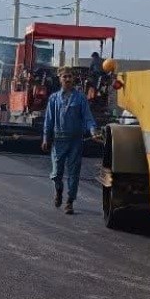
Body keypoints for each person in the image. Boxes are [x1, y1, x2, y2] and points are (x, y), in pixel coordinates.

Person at [42, 68, 98, 215]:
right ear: (60, 79)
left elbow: (88, 118)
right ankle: (59, 191)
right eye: (65, 76)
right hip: (58, 140)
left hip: (75, 141)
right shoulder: (54, 98)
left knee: (74, 173)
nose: (67, 79)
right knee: (56, 173)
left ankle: (69, 202)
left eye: (70, 76)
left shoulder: (80, 98)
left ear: (73, 79)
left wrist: (93, 131)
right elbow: (49, 120)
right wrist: (45, 138)